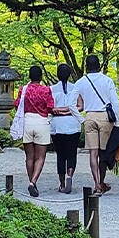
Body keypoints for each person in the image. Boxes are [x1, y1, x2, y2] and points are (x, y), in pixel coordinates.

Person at [73, 55, 119, 195]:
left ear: (86, 66)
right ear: (99, 65)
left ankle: (97, 184)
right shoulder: (107, 81)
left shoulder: (80, 82)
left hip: (89, 116)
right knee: (103, 153)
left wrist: (81, 120)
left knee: (93, 153)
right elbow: (115, 102)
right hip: (105, 117)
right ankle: (101, 183)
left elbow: (71, 104)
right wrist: (117, 122)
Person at [9, 65, 56, 197]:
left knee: (29, 156)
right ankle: (33, 182)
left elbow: (17, 105)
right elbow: (50, 107)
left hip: (27, 122)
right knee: (40, 156)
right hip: (41, 122)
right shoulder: (46, 90)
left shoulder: (23, 90)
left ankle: (31, 182)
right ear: (41, 77)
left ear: (29, 76)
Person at [49, 63, 84, 194]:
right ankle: (70, 175)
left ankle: (62, 183)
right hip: (73, 124)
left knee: (60, 155)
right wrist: (69, 111)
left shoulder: (51, 89)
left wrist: (60, 111)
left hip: (57, 125)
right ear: (69, 74)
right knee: (71, 152)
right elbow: (80, 106)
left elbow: (50, 108)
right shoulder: (76, 88)